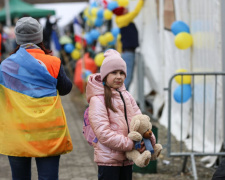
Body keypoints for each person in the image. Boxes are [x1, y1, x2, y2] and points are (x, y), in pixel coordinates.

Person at [0, 17, 73, 180]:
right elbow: (66, 89)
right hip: (49, 132)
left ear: (18, 38)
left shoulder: (5, 66)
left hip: (18, 132)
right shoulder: (53, 62)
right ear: (39, 37)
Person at [86, 49, 156, 180]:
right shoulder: (98, 99)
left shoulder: (127, 96)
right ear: (105, 75)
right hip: (109, 160)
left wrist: (147, 138)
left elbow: (140, 121)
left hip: (127, 158)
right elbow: (103, 133)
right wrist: (130, 144)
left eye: (122, 73)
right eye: (114, 72)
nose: (119, 76)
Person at [113, 0, 144, 90]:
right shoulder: (123, 20)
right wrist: (141, 1)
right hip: (128, 53)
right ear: (122, 13)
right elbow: (135, 12)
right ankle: (121, 97)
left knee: (127, 76)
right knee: (128, 77)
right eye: (124, 10)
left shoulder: (122, 20)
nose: (127, 10)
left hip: (128, 52)